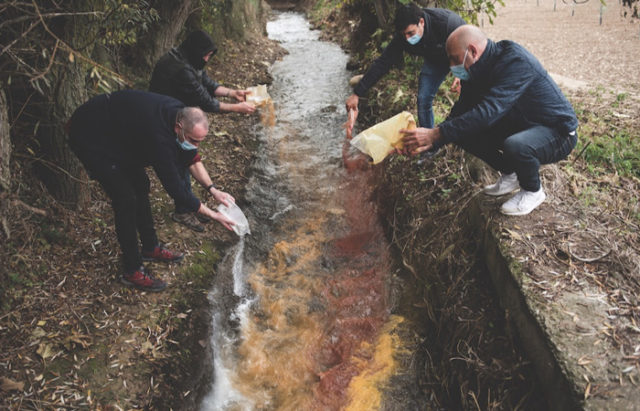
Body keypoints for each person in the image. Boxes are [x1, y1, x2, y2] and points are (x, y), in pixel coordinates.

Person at [67, 90, 236, 292]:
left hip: (123, 133)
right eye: (193, 140)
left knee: (141, 184)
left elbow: (191, 158)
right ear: (178, 127)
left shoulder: (181, 114)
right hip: (90, 135)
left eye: (200, 141)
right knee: (126, 198)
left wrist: (213, 190)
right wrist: (215, 215)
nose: (196, 146)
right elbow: (176, 190)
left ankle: (150, 247)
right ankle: (132, 270)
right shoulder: (159, 138)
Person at [400, 25, 578, 216]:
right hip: (521, 124)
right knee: (460, 132)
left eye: (454, 59)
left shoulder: (515, 62)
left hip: (557, 132)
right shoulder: (474, 69)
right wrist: (432, 141)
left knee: (516, 145)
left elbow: (488, 112)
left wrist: (436, 134)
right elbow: (461, 110)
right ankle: (510, 173)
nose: (451, 66)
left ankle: (533, 191)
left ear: (473, 51)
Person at [149, 30, 255, 231]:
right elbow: (205, 101)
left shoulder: (188, 59)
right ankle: (183, 211)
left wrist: (233, 93)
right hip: (164, 120)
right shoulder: (180, 70)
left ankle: (189, 207)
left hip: (177, 115)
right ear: (197, 51)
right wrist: (237, 109)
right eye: (206, 55)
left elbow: (207, 84)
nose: (207, 59)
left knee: (188, 157)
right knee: (181, 163)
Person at [345, 2, 465, 159]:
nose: (408, 39)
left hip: (460, 57)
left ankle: (466, 139)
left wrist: (461, 71)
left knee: (469, 98)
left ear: (421, 22)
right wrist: (357, 93)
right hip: (435, 61)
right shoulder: (402, 38)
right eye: (404, 35)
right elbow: (383, 63)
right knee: (423, 98)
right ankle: (429, 147)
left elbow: (470, 45)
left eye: (411, 33)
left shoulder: (447, 23)